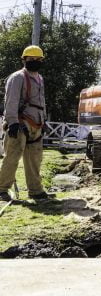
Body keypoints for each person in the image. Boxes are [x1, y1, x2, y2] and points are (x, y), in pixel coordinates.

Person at [0, 45, 49, 201]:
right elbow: (11, 101)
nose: (34, 61)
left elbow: (41, 102)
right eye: (31, 59)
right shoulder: (17, 77)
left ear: (42, 61)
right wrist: (12, 122)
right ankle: (1, 189)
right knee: (12, 157)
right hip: (20, 123)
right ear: (24, 60)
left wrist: (44, 120)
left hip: (37, 124)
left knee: (34, 159)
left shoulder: (40, 78)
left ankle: (35, 191)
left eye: (38, 59)